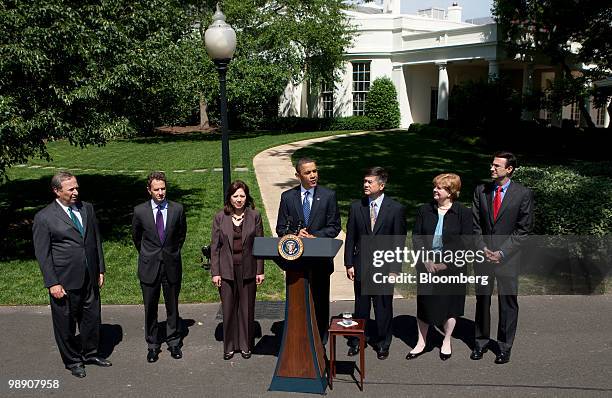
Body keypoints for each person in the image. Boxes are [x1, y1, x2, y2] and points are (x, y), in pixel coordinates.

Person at [33, 171, 112, 378]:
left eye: (77, 187)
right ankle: (73, 361)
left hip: (90, 276)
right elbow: (43, 254)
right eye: (71, 189)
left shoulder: (87, 209)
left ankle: (90, 353)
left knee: (92, 318)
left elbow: (95, 241)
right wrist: (52, 283)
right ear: (57, 191)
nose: (76, 192)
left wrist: (100, 269)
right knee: (65, 324)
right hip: (64, 280)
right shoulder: (44, 217)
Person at [471, 151, 534, 364]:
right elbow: (475, 225)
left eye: (497, 165)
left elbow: (523, 229)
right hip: (483, 256)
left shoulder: (523, 194)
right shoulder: (481, 190)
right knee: (482, 300)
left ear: (509, 169)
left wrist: (502, 252)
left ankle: (504, 346)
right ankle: (480, 342)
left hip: (508, 258)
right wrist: (482, 248)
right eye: (492, 164)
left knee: (507, 302)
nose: (492, 168)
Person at [276, 157, 341, 344]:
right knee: (298, 304)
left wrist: (315, 236)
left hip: (320, 262)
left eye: (315, 171)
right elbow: (281, 228)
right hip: (296, 262)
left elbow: (334, 227)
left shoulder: (328, 195)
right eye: (308, 172)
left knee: (320, 303)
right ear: (298, 175)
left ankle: (321, 340)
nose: (313, 175)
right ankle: (298, 339)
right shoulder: (288, 197)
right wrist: (295, 234)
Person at [344, 167, 407, 360]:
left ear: (381, 184)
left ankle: (382, 342)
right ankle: (357, 340)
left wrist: (395, 268)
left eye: (369, 182)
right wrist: (349, 264)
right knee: (361, 307)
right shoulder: (357, 207)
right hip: (361, 265)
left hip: (384, 267)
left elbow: (399, 241)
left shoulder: (395, 209)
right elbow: (351, 238)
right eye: (364, 181)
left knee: (383, 308)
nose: (365, 185)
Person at [409, 173, 472, 361]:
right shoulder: (424, 210)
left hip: (452, 266)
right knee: (425, 304)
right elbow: (417, 236)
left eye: (440, 188)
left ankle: (446, 340)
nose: (435, 190)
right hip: (427, 264)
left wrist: (446, 263)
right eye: (435, 186)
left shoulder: (463, 213)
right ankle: (421, 342)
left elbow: (466, 242)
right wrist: (426, 259)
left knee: (450, 305)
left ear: (451, 192)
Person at [132, 171, 187, 363]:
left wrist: (170, 252)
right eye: (156, 189)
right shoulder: (140, 211)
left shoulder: (177, 209)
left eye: (163, 188)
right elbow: (137, 238)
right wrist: (149, 254)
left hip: (171, 265)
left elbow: (181, 235)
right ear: (149, 190)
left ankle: (173, 342)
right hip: (149, 267)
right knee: (150, 308)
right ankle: (153, 345)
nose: (161, 192)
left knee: (173, 307)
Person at [210, 180, 265, 360]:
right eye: (235, 196)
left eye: (242, 196)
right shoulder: (220, 217)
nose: (239, 199)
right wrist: (215, 272)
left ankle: (246, 345)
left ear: (247, 197)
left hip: (248, 269)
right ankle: (229, 346)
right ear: (230, 198)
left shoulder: (255, 216)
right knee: (228, 309)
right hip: (226, 271)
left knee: (247, 309)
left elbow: (260, 245)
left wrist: (260, 270)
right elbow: (215, 247)